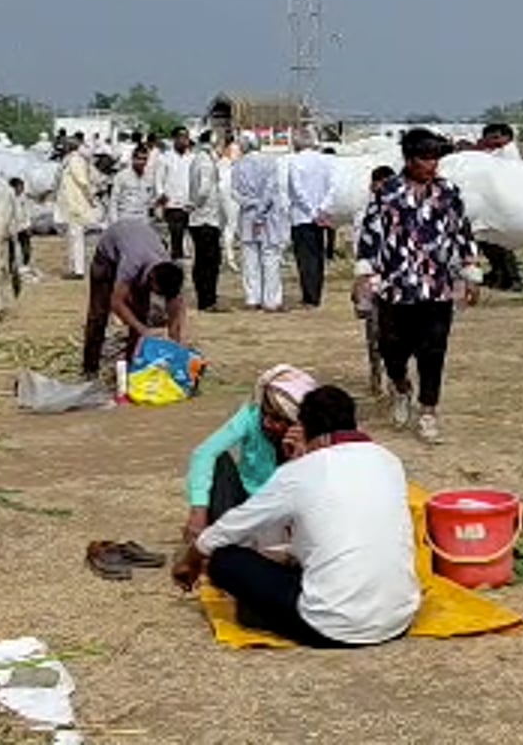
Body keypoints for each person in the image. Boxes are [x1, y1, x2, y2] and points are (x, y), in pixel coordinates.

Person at [172, 386, 419, 649]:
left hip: (332, 627)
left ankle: (260, 614)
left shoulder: (302, 471)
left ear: (306, 429)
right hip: (398, 619)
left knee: (225, 561)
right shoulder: (389, 461)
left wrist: (192, 557)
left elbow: (236, 525)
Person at [355, 128, 480, 443]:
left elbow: (462, 232)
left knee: (433, 350)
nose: (432, 164)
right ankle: (400, 387)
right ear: (409, 159)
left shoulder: (448, 192)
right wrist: (363, 276)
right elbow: (370, 235)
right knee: (391, 348)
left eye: (436, 157)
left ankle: (428, 411)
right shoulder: (387, 192)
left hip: (436, 288)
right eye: (425, 157)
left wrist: (470, 271)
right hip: (395, 286)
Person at [181, 364, 318, 544]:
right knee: (219, 461)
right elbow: (204, 453)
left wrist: (300, 456)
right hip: (247, 502)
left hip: (283, 512)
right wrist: (198, 511)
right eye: (265, 414)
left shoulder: (314, 437)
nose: (267, 423)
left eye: (277, 419)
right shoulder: (251, 415)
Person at [80, 218, 187, 379]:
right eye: (157, 292)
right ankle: (90, 368)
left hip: (139, 247)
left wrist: (175, 347)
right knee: (99, 314)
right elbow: (116, 303)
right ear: (152, 279)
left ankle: (132, 366)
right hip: (107, 258)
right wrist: (142, 329)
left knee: (140, 313)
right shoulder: (132, 264)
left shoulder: (169, 270)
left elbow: (175, 309)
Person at [231, 134, 289, 312]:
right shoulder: (270, 162)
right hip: (268, 217)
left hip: (247, 215)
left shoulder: (237, 165)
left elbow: (235, 193)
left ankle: (252, 298)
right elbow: (270, 192)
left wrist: (251, 205)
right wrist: (261, 211)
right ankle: (271, 301)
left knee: (250, 259)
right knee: (270, 257)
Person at [356, 165, 398, 395]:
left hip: (398, 282)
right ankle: (377, 374)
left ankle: (394, 376)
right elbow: (362, 251)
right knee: (374, 331)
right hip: (373, 280)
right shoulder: (367, 214)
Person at [286, 129, 335, 308]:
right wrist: (322, 208)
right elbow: (332, 187)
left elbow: (297, 190)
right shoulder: (324, 161)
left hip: (302, 215)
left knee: (305, 258)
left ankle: (309, 296)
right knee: (318, 256)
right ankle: (316, 293)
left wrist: (311, 211)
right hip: (321, 215)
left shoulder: (295, 162)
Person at [473, 123, 523, 292]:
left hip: (505, 203)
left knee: (501, 242)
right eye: (489, 138)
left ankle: (513, 279)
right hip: (493, 203)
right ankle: (499, 273)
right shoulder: (497, 152)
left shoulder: (508, 152)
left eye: (495, 138)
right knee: (487, 240)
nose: (492, 142)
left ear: (507, 137)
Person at [186, 130, 224, 311]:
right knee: (210, 262)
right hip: (207, 219)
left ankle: (205, 298)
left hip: (199, 220)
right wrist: (195, 205)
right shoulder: (206, 163)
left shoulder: (197, 160)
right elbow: (204, 190)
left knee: (201, 261)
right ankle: (208, 300)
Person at [55, 143, 101, 280]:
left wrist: (91, 198)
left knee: (76, 237)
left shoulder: (75, 160)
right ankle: (74, 268)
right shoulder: (69, 160)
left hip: (76, 204)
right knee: (73, 237)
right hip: (71, 205)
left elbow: (83, 181)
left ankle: (78, 270)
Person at [153, 126, 195, 260]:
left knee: (189, 234)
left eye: (186, 137)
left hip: (189, 202)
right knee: (176, 234)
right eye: (181, 137)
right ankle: (176, 260)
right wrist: (161, 195)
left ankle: (184, 258)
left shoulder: (193, 158)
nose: (184, 140)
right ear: (174, 139)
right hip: (172, 203)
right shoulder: (165, 157)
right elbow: (158, 179)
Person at [108, 145, 157, 225]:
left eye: (145, 159)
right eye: (139, 158)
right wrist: (115, 223)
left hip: (142, 219)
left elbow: (150, 200)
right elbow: (114, 201)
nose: (142, 162)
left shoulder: (149, 177)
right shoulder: (122, 176)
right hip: (125, 218)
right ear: (133, 158)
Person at [7, 176, 35, 277]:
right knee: (12, 249)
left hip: (23, 226)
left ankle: (25, 265)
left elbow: (27, 213)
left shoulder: (24, 198)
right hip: (12, 228)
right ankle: (12, 268)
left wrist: (28, 226)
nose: (21, 189)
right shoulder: (8, 199)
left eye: (22, 187)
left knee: (26, 248)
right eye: (19, 187)